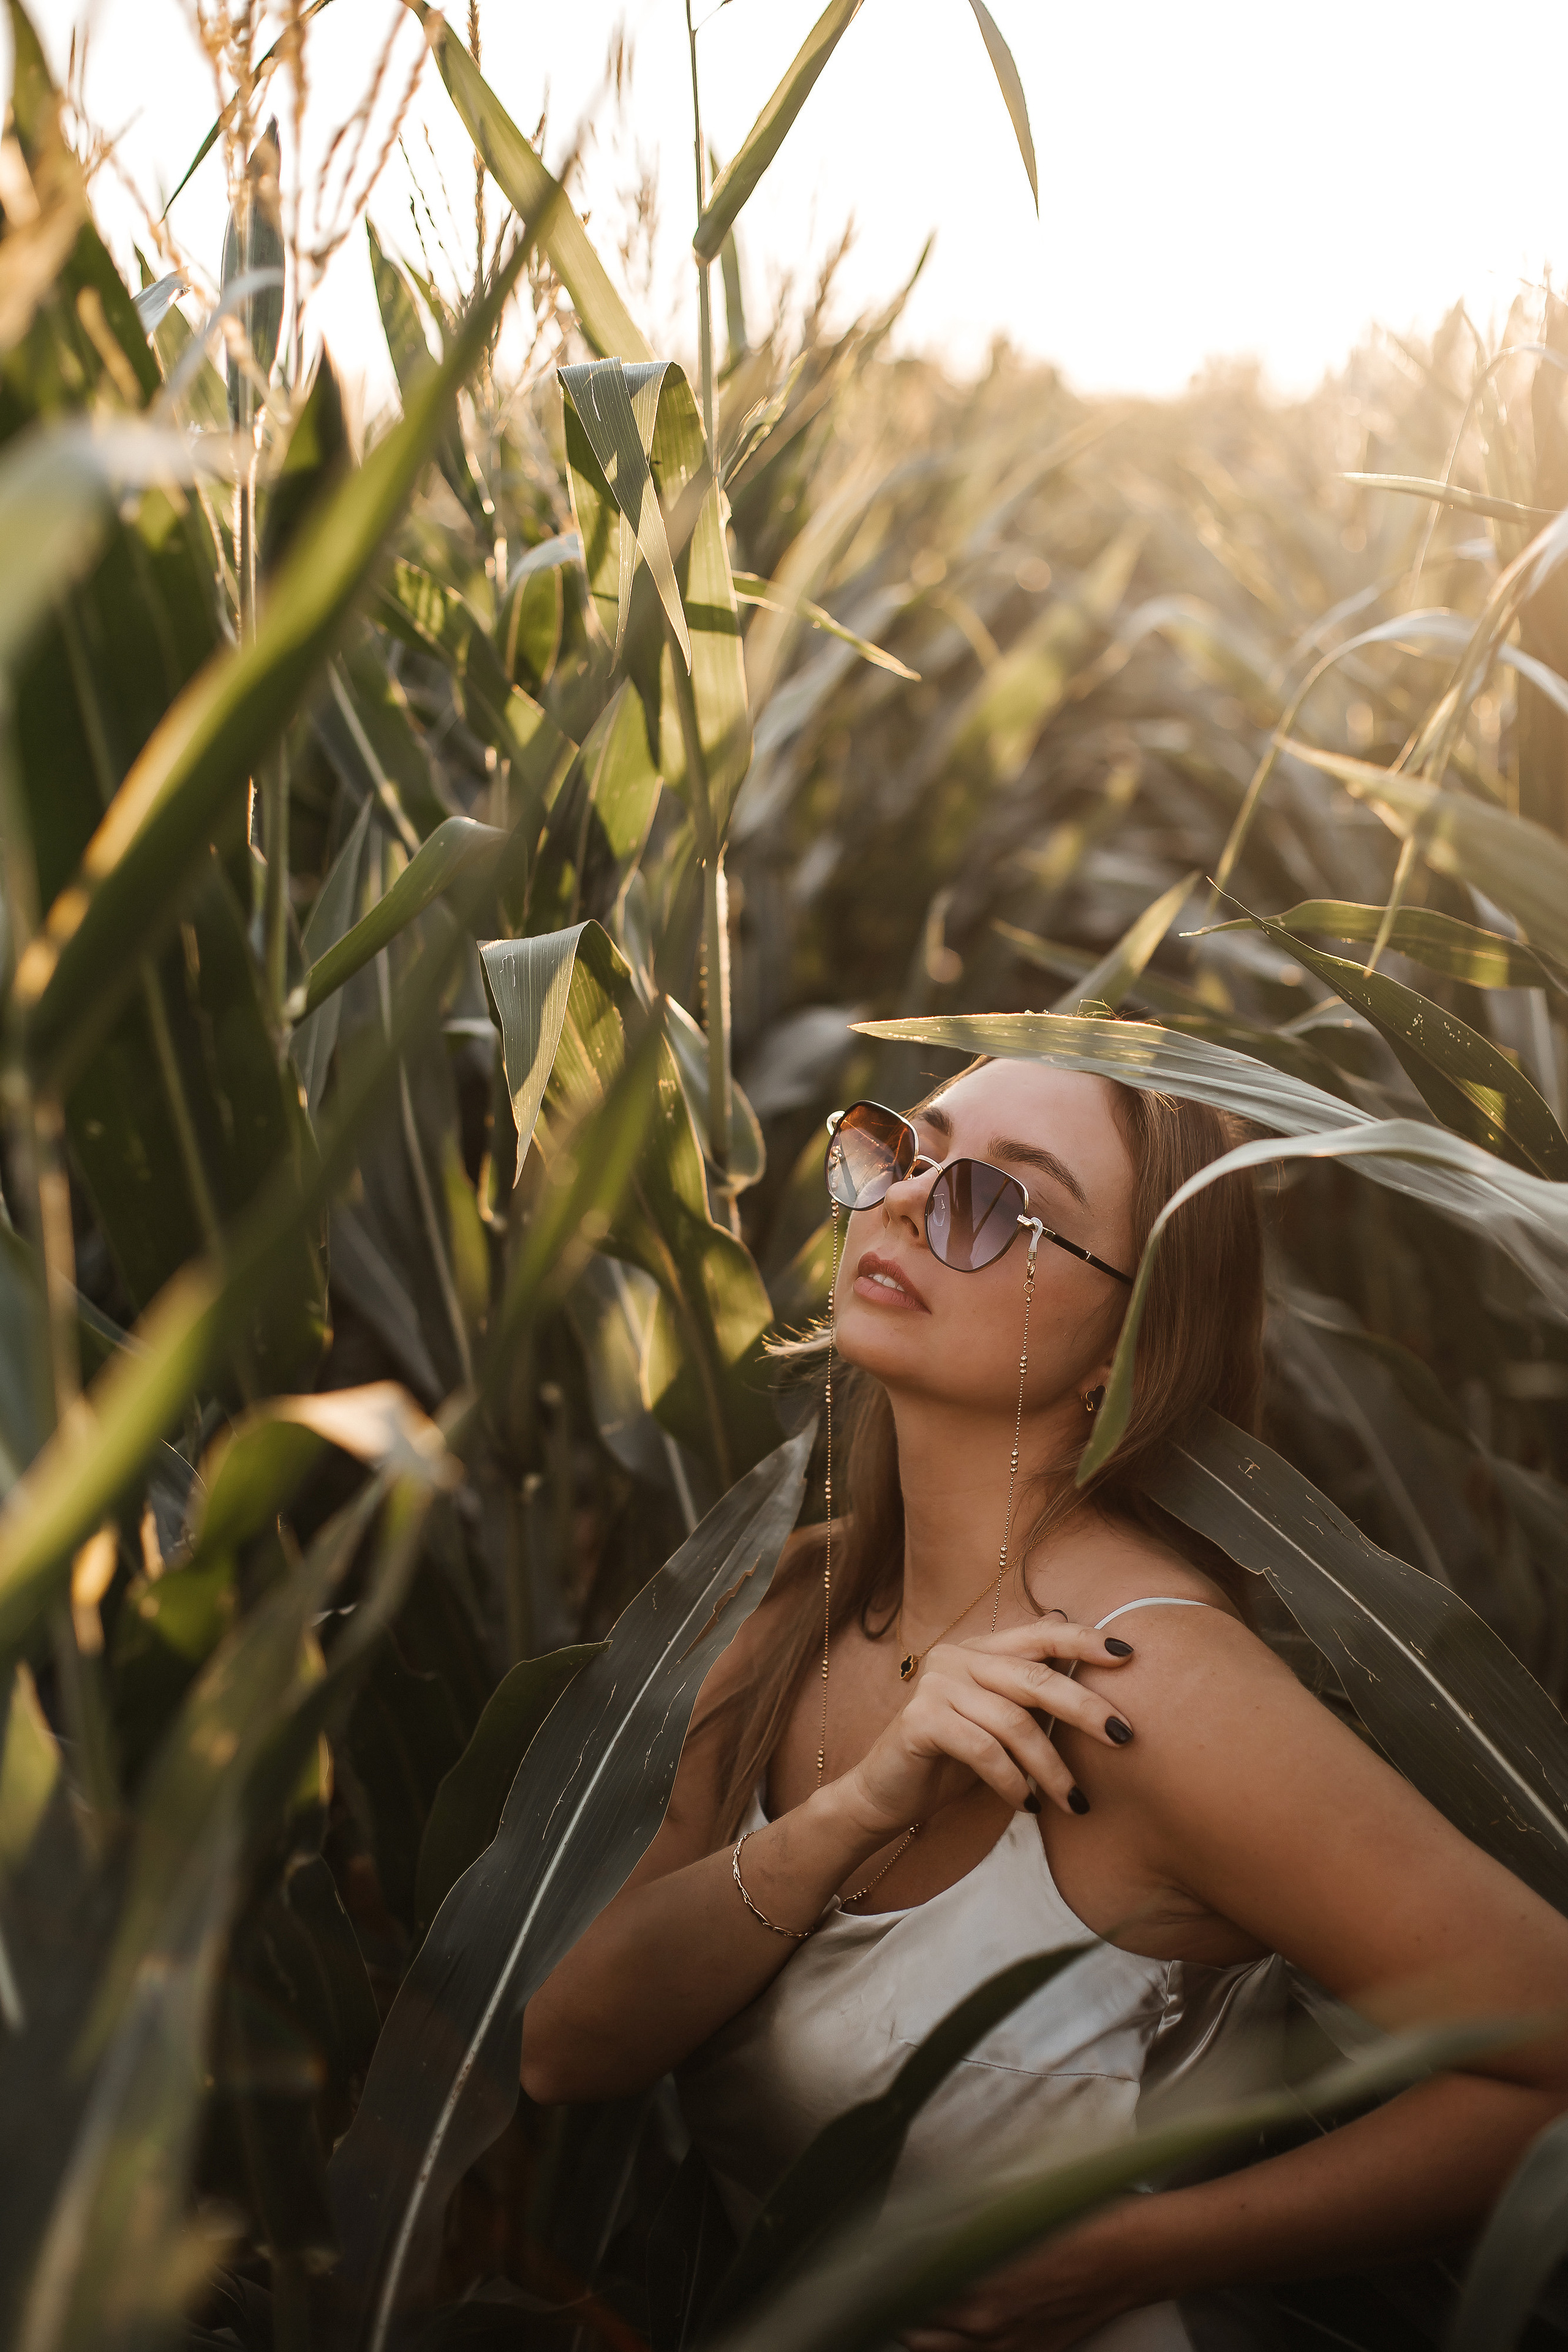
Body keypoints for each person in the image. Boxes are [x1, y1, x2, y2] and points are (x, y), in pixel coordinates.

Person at [521, 1057, 1568, 2351]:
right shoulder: (790, 1605)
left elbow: (1547, 2063)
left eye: (989, 1204)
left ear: (1129, 1343)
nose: (904, 1202)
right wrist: (851, 1812)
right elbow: (564, 2049)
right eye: (901, 1150)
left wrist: (1117, 2252)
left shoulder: (1145, 1689)